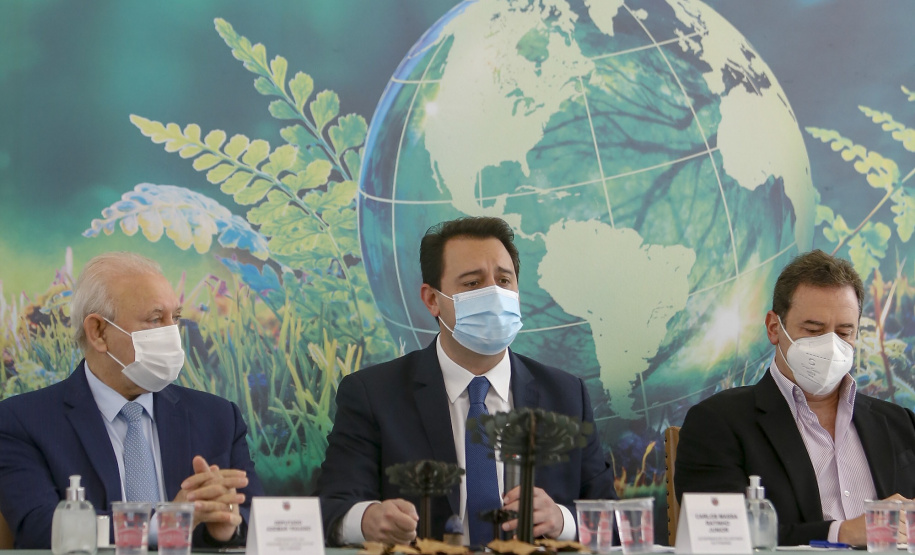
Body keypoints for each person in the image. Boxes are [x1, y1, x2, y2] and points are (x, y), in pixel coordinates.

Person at [316, 216, 616, 547]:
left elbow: (616, 520)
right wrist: (367, 520)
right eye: (473, 284)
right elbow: (330, 508)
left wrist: (563, 520)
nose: (494, 294)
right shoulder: (373, 394)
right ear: (432, 299)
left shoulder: (567, 395)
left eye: (504, 281)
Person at [0, 252, 264, 549]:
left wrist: (222, 526)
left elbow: (256, 517)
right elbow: (40, 527)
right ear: (98, 332)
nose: (172, 334)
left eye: (174, 318)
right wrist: (168, 521)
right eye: (155, 319)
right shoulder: (23, 421)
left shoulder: (218, 418)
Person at [675, 249, 915, 546]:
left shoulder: (901, 423)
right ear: (774, 328)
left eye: (844, 332)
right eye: (813, 330)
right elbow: (718, 539)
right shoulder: (717, 423)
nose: (830, 345)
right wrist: (839, 533)